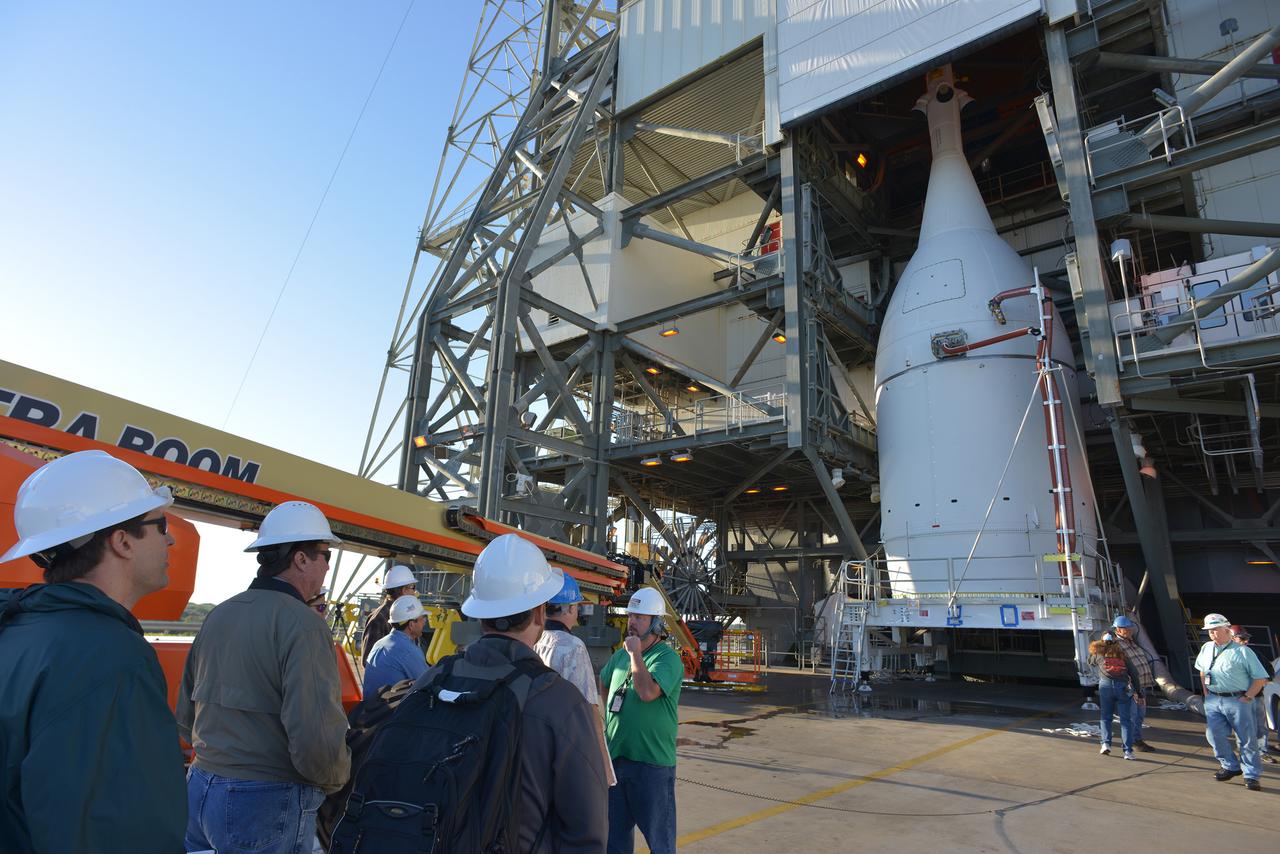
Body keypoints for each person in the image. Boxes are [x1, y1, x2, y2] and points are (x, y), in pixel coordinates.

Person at [0, 450, 187, 853]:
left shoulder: (20, 629)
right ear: (122, 541)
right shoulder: (111, 658)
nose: (170, 538)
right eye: (160, 525)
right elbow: (120, 833)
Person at [178, 500, 352, 853]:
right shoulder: (303, 625)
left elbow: (185, 716)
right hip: (264, 799)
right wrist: (337, 781)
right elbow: (314, 735)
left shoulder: (220, 614)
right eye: (325, 555)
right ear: (301, 559)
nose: (327, 566)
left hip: (200, 787)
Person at [415, 532, 607, 852]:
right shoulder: (560, 703)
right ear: (540, 613)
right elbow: (587, 833)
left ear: (480, 613)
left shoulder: (431, 682)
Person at [600, 586, 684, 854]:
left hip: (651, 766)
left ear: (656, 623)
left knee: (659, 842)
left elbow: (647, 692)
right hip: (616, 761)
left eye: (639, 617)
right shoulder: (619, 656)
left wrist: (636, 654)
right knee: (614, 842)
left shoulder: (667, 659)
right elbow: (603, 683)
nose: (631, 623)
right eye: (630, 616)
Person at [536, 572, 616, 785]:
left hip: (537, 746)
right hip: (565, 748)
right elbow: (589, 707)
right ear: (570, 608)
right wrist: (604, 767)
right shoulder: (572, 647)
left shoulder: (534, 640)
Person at [1195, 613, 1268, 792]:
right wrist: (1206, 693)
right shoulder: (1206, 648)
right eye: (1210, 631)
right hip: (1213, 699)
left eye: (1215, 630)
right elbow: (1203, 671)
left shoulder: (1243, 651)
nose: (1212, 634)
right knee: (1213, 735)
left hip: (1237, 700)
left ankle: (1251, 775)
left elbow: (1260, 678)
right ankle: (1230, 765)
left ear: (1226, 630)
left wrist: (1248, 697)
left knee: (1247, 739)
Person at [1087, 632, 1144, 759]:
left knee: (1106, 717)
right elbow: (1134, 674)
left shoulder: (1099, 654)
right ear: (1116, 642)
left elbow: (1090, 662)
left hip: (1105, 687)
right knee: (1125, 720)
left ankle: (1106, 744)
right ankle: (1128, 751)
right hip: (1122, 688)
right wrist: (1139, 693)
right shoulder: (1122, 655)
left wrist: (1097, 648)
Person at [362, 593, 429, 695]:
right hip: (391, 710)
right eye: (422, 618)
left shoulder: (380, 643)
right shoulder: (408, 651)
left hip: (371, 707)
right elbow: (428, 683)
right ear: (411, 624)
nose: (425, 622)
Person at [1111, 615, 1157, 751]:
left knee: (1139, 715)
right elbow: (1122, 670)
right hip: (1130, 688)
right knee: (1132, 716)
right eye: (1127, 629)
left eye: (1130, 628)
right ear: (1118, 629)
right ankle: (1131, 742)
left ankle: (1134, 740)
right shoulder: (1116, 646)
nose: (1130, 631)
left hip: (1140, 686)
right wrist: (1133, 689)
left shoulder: (1130, 642)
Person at [1231, 625, 1275, 763]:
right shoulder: (1226, 655)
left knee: (1260, 725)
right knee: (1241, 724)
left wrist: (1265, 680)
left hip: (1256, 696)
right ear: (1232, 638)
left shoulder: (1254, 653)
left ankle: (1262, 751)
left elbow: (1269, 669)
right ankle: (1243, 750)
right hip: (1237, 697)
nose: (1246, 641)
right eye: (1242, 638)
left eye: (1247, 638)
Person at [361, 563, 417, 665]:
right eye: (413, 587)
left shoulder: (402, 615)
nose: (415, 592)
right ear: (404, 590)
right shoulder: (379, 619)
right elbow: (368, 661)